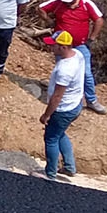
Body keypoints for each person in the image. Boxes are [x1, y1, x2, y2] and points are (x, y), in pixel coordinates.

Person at [36, 0, 107, 114]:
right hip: (61, 45)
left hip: (80, 45)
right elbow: (40, 8)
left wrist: (91, 38)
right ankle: (60, 98)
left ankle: (91, 101)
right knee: (62, 71)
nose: (67, 3)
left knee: (86, 73)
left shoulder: (86, 4)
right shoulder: (59, 3)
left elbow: (99, 20)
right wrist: (49, 21)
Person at [42, 32, 90, 180]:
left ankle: (50, 173)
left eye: (54, 45)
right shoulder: (77, 54)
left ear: (62, 47)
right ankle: (69, 167)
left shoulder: (65, 69)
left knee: (50, 138)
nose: (51, 47)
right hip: (76, 104)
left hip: (63, 109)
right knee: (59, 133)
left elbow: (57, 97)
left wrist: (46, 115)